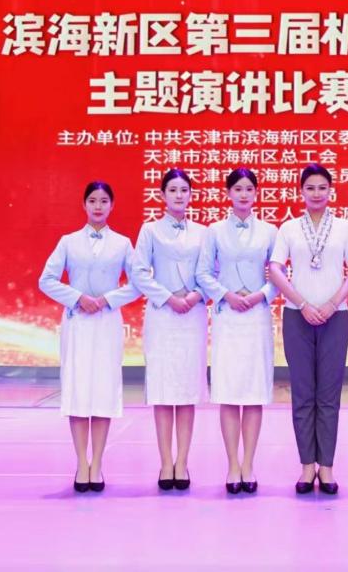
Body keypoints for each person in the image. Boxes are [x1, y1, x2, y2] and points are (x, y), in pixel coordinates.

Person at [38, 181, 141, 493]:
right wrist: (77, 298)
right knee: (79, 390)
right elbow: (46, 279)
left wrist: (108, 299)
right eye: (93, 200)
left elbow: (138, 283)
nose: (98, 206)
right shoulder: (68, 242)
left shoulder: (123, 244)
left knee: (103, 391)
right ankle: (81, 463)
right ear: (84, 205)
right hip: (78, 323)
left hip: (107, 322)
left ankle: (97, 464)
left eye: (104, 201)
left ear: (112, 206)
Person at [269, 164, 348, 495]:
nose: (317, 193)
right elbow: (275, 268)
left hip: (336, 317)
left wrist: (333, 303)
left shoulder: (344, 227)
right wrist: (303, 303)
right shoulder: (289, 228)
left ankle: (328, 468)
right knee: (303, 393)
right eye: (310, 188)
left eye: (322, 187)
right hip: (298, 317)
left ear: (331, 190)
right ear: (301, 191)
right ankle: (307, 466)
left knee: (329, 395)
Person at [196, 168, 278, 494]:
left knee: (254, 393)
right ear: (228, 193)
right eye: (238, 189)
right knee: (229, 393)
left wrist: (260, 295)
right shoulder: (214, 231)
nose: (243, 194)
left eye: (249, 189)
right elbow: (203, 273)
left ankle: (249, 464)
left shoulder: (270, 231)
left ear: (256, 193)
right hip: (228, 316)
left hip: (257, 316)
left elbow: (278, 275)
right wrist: (226, 295)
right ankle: (232, 465)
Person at [130, 169, 209, 491]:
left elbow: (211, 271)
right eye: (173, 190)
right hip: (162, 315)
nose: (179, 195)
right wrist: (167, 298)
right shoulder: (150, 230)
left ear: (191, 195)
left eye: (184, 190)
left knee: (187, 391)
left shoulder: (204, 232)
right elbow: (139, 272)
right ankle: (165, 462)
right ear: (162, 195)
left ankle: (183, 462)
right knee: (163, 391)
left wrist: (194, 296)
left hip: (192, 314)